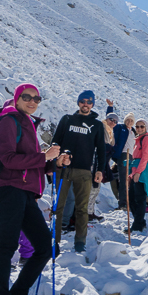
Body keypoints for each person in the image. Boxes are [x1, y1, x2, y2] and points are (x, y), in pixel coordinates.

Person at [0, 84, 63, 295]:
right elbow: (8, 159)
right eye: (27, 97)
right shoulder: (9, 121)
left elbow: (31, 163)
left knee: (45, 247)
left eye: (36, 98)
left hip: (26, 193)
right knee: (6, 247)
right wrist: (44, 156)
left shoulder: (27, 123)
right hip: (9, 189)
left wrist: (53, 163)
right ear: (16, 98)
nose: (32, 101)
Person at [52, 90, 105, 254]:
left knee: (82, 208)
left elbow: (101, 150)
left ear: (92, 104)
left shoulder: (97, 125)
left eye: (89, 102)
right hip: (63, 169)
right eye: (83, 101)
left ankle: (80, 242)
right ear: (78, 103)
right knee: (58, 207)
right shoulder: (67, 119)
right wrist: (56, 159)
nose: (85, 104)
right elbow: (55, 141)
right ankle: (55, 241)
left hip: (84, 171)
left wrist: (99, 170)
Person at [125, 118, 148, 233]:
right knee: (132, 198)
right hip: (136, 170)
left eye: (142, 126)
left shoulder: (146, 139)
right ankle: (140, 222)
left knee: (139, 198)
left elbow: (145, 157)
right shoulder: (138, 140)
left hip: (141, 171)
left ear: (146, 128)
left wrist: (138, 172)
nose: (139, 128)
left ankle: (137, 225)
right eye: (137, 126)